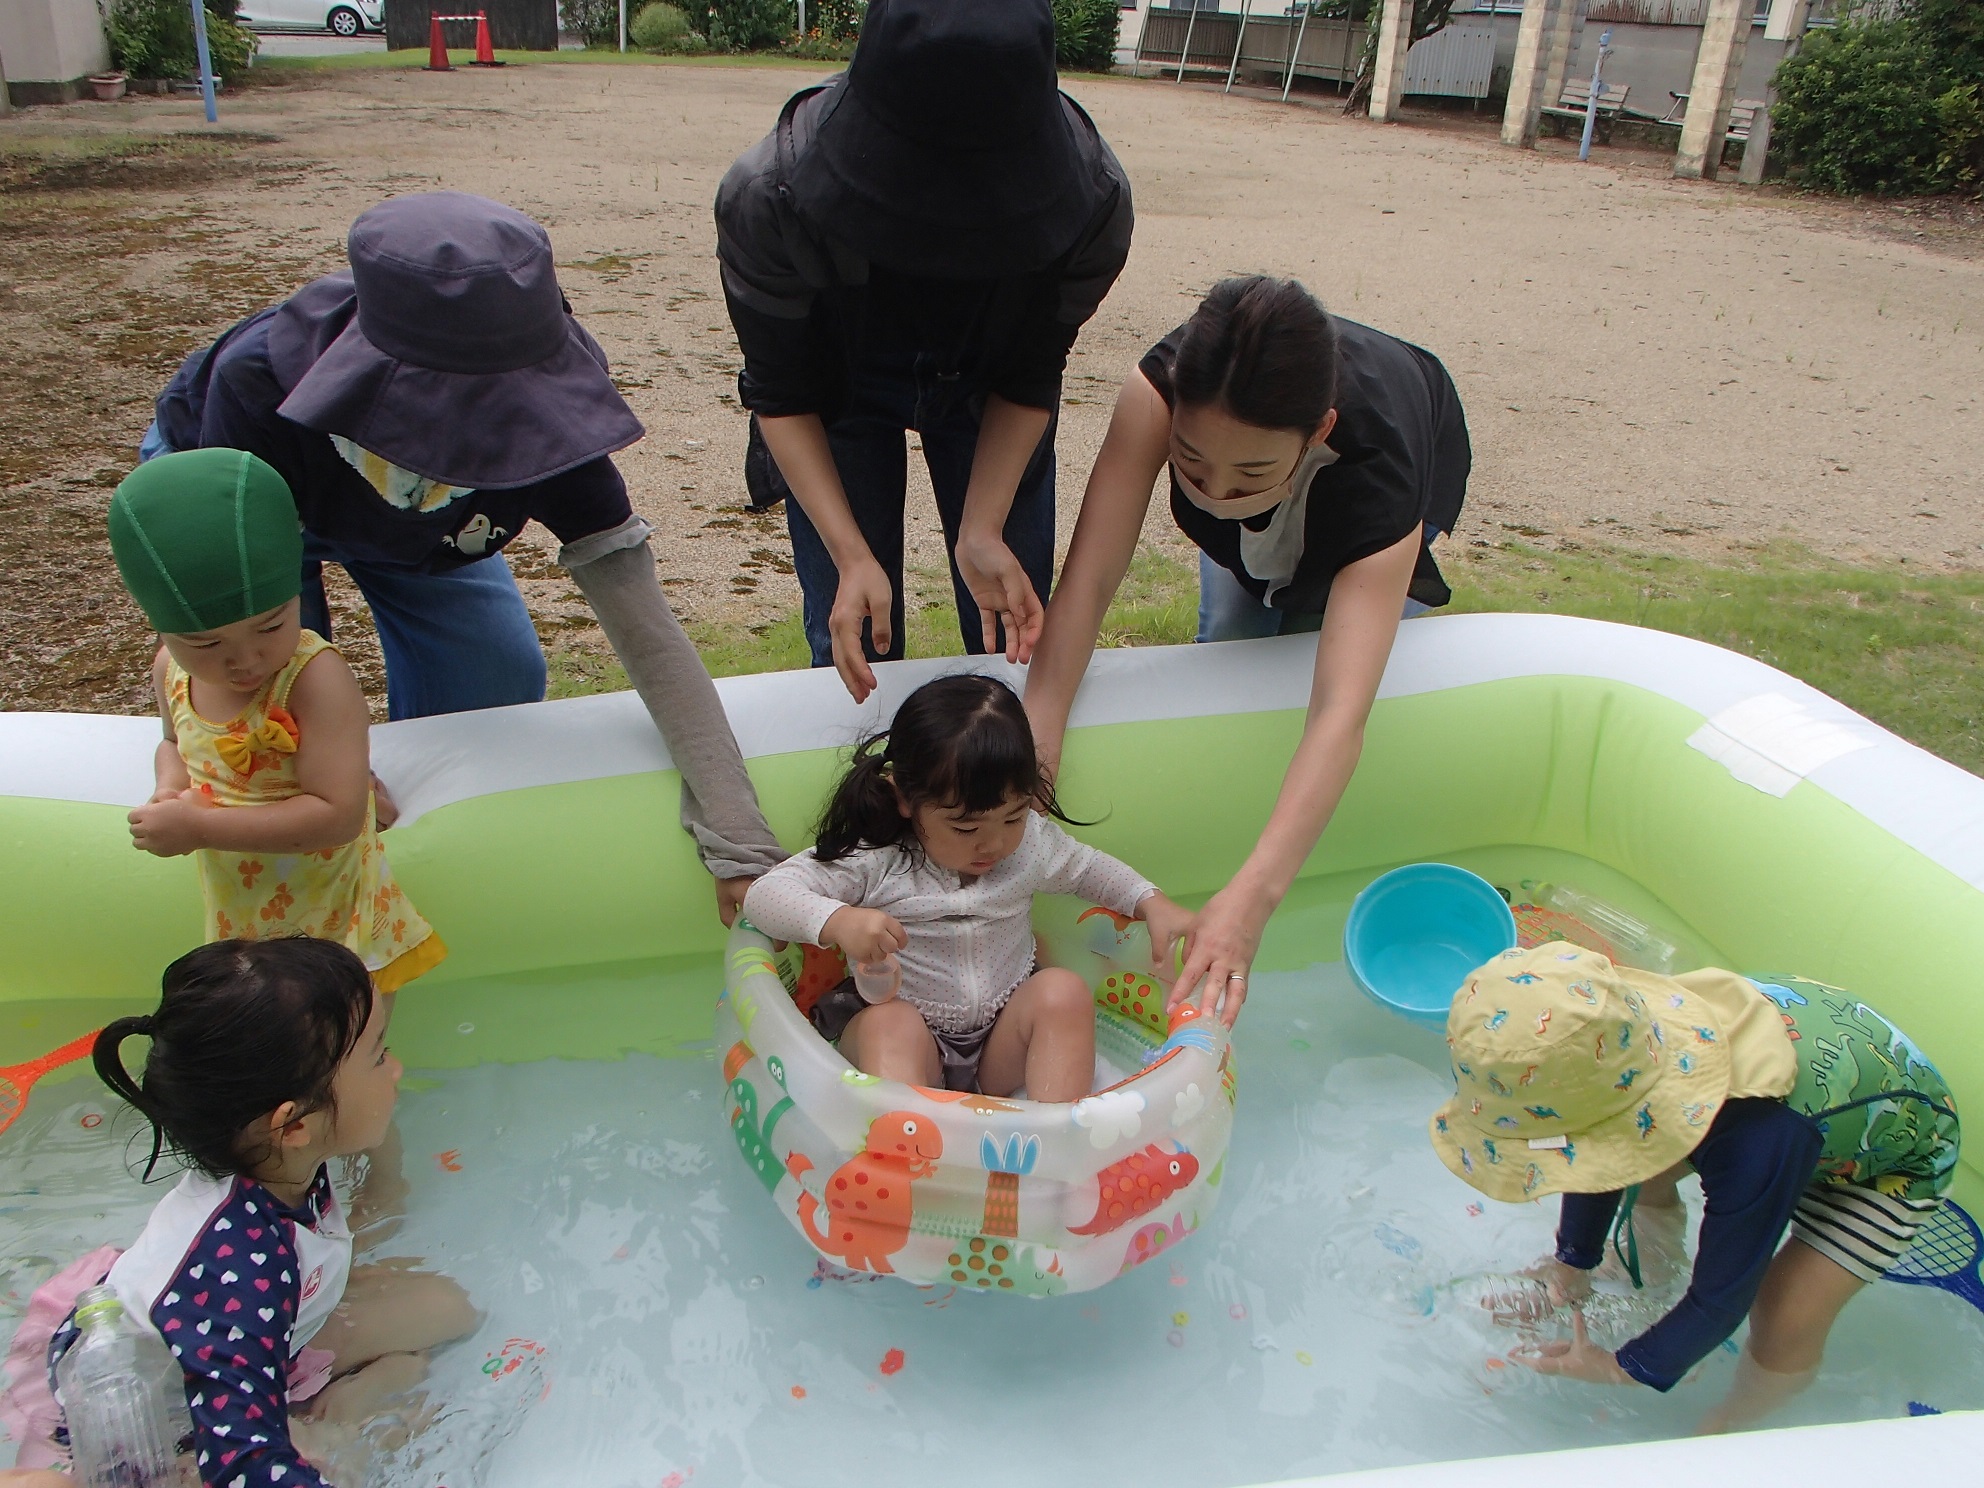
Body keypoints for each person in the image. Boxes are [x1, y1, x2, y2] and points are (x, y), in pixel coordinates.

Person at [142, 191, 784, 924]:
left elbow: (649, 633)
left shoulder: (547, 431)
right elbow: (263, 635)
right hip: (247, 500)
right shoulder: (257, 385)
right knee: (264, 722)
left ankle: (439, 884)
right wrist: (321, 773)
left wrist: (740, 843)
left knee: (495, 676)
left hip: (432, 524)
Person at [1024, 276, 1469, 1024]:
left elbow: (1340, 711)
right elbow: (1090, 581)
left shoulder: (1379, 464)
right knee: (1235, 632)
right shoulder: (1160, 390)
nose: (1217, 495)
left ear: (1319, 429)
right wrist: (1037, 739)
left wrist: (1253, 899)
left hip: (1398, 440)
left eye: (1251, 475)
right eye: (1191, 467)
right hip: (1273, 440)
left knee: (1348, 645)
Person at [716, 0, 1134, 703]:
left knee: (1011, 639)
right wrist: (851, 555)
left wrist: (981, 528)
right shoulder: (769, 199)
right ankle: (872, 798)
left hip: (989, 390)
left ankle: (1011, 794)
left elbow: (1033, 371)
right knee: (852, 633)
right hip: (836, 390)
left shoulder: (1090, 204)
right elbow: (782, 395)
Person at [0, 938, 479, 1485]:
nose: (395, 1070)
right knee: (334, 1465)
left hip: (233, 1336)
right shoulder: (238, 1265)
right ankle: (320, 1417)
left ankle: (326, 1397)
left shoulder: (274, 1161)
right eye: (378, 1058)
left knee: (448, 1308)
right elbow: (244, 1465)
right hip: (147, 1418)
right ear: (293, 1125)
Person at [1429, 942, 1960, 1434]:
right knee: (1637, 1158)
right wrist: (1573, 1262)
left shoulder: (1758, 1140)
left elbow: (1722, 1300)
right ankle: (1648, 1275)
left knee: (1783, 1312)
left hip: (1887, 1164)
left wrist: (1622, 1368)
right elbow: (1595, 1157)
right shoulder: (1617, 1035)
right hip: (1751, 1082)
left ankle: (1738, 1421)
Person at [742, 675, 1191, 1102]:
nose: (993, 843)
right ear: (903, 797)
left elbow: (1088, 869)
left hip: (1001, 1040)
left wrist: (1150, 900)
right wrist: (838, 921)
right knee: (888, 1026)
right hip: (911, 1040)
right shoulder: (876, 858)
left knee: (1063, 992)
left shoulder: (1028, 846)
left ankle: (1056, 1146)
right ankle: (909, 1152)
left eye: (1012, 817)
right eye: (965, 826)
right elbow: (765, 895)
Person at [107, 449, 442, 995]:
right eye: (207, 642)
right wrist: (169, 789)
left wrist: (197, 828)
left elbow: (336, 816)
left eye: (271, 626)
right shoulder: (171, 670)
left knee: (345, 1032)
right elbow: (173, 743)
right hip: (245, 909)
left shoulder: (314, 679)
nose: (246, 661)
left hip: (334, 913)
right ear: (162, 631)